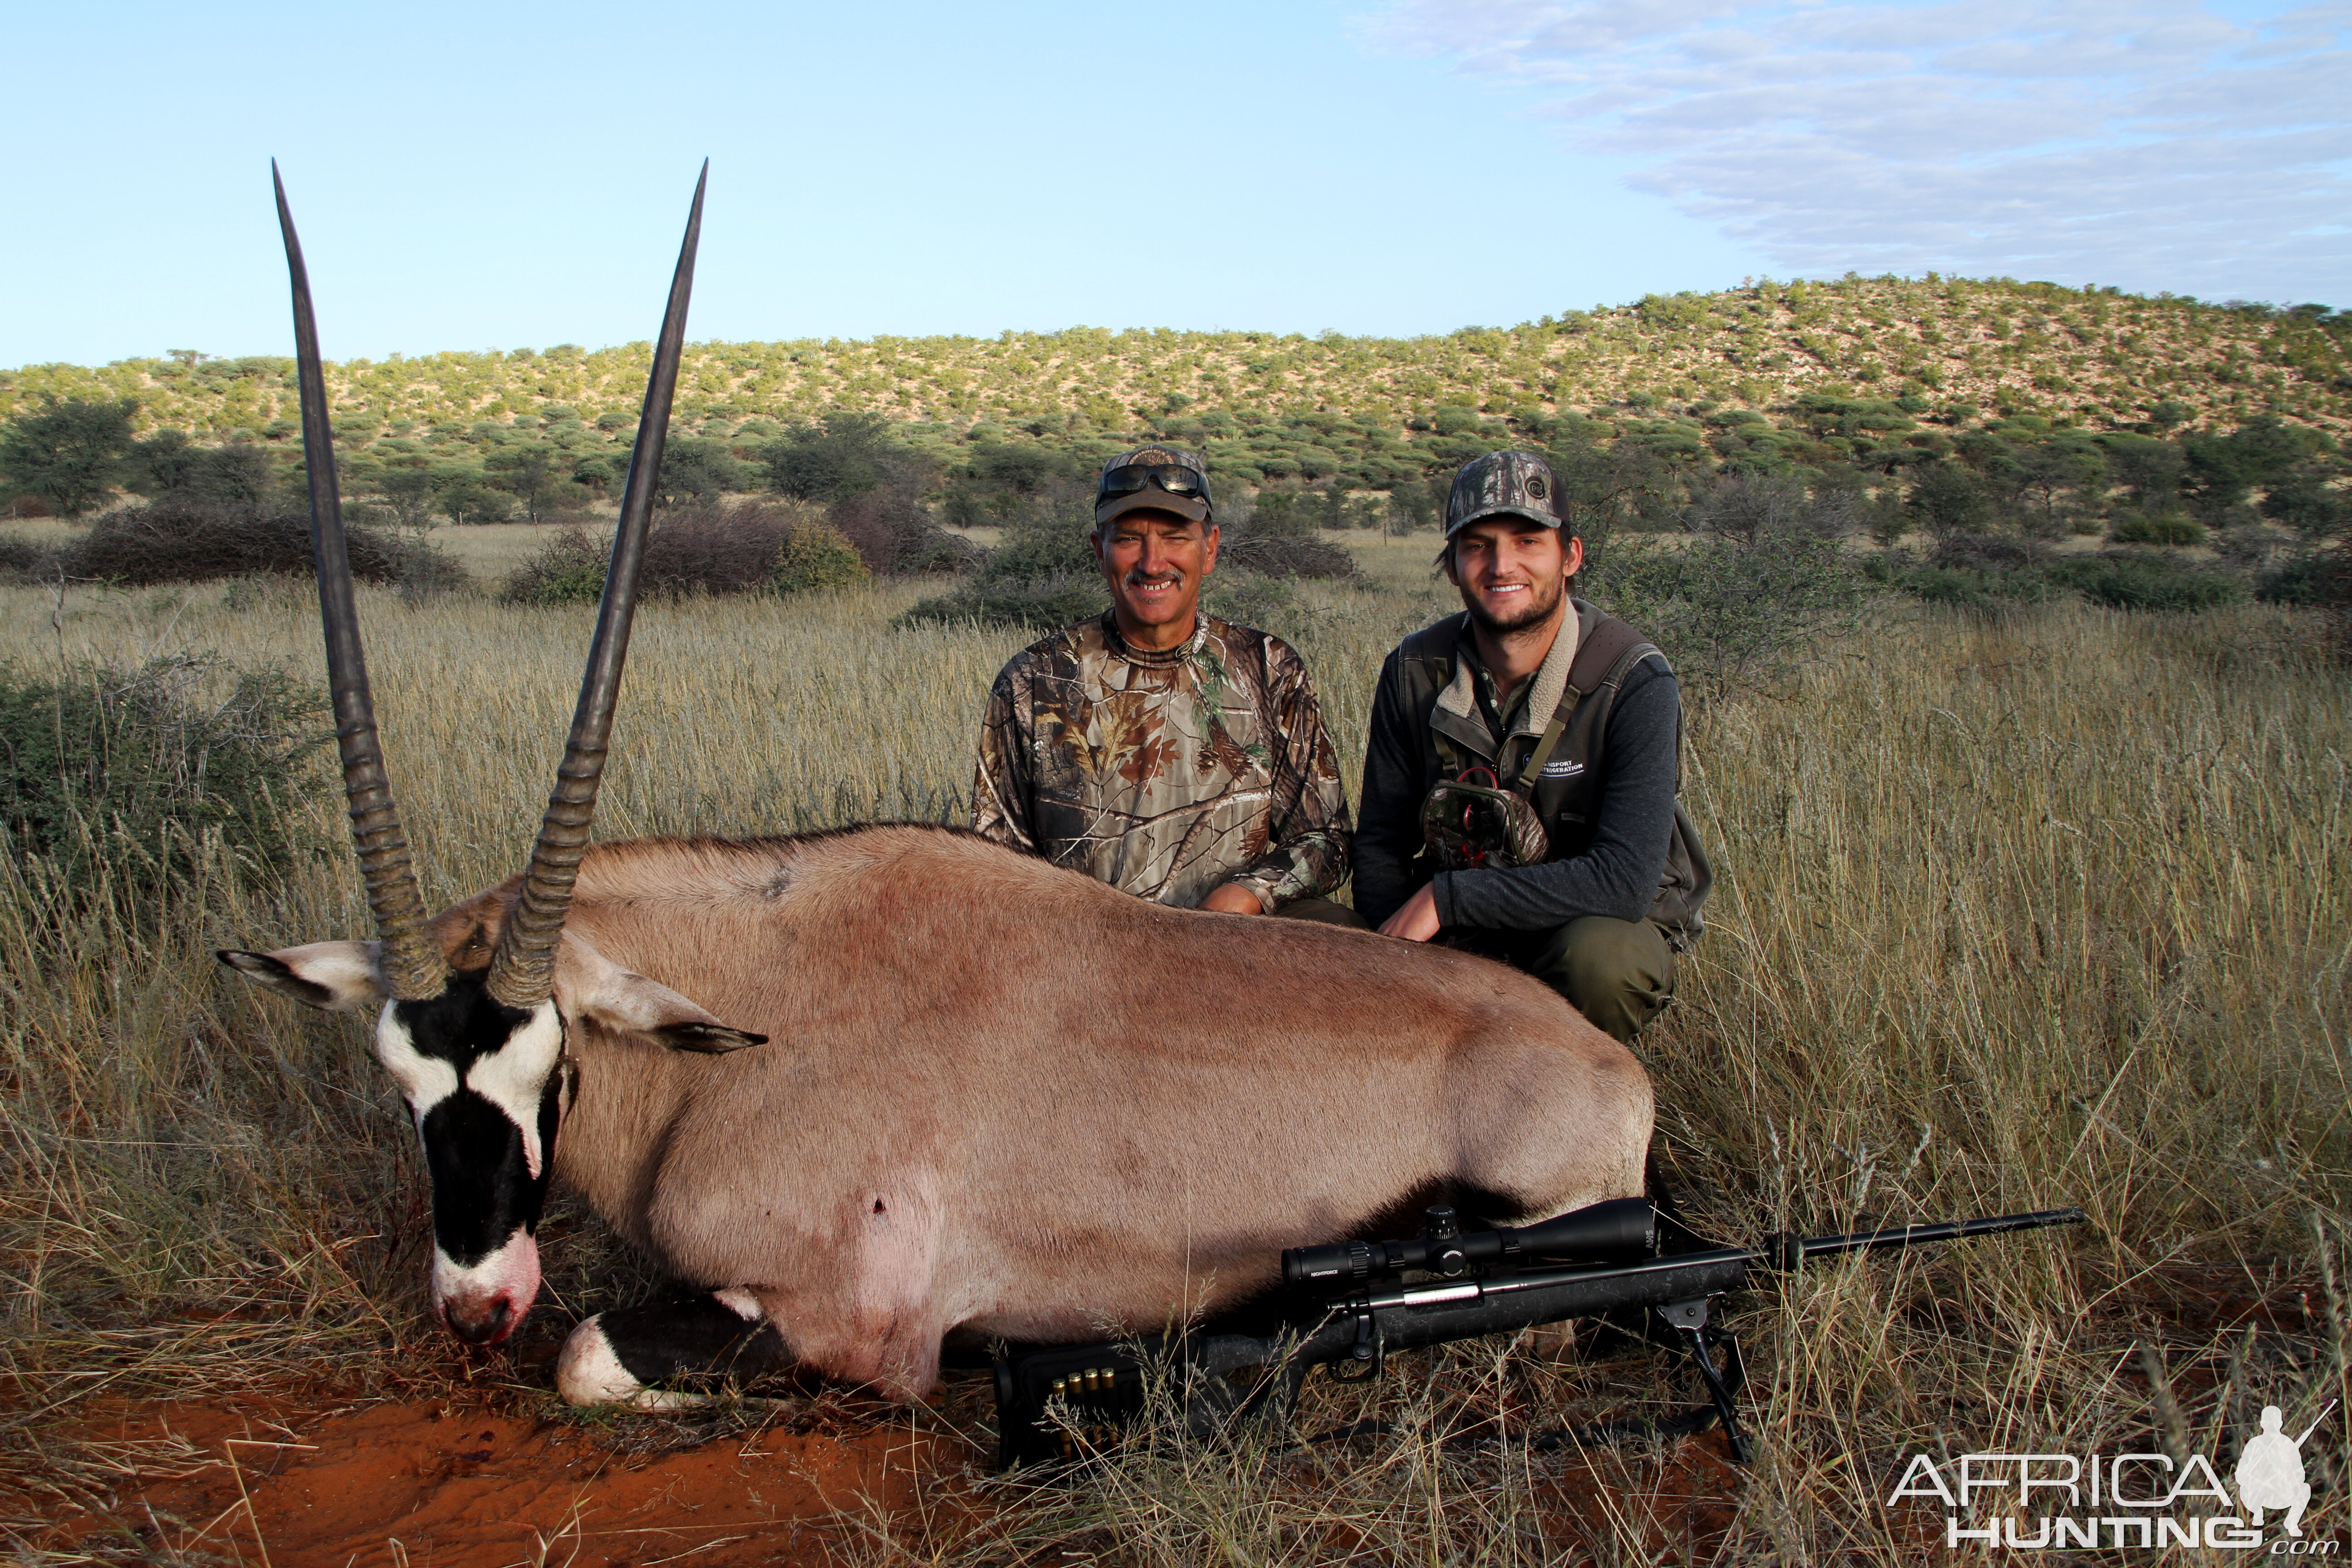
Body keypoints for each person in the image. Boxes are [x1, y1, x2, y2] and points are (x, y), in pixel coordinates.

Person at [1352, 450, 1711, 1043]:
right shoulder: (1412, 670)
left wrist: (1449, 899)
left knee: (1604, 963)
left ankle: (1580, 1106)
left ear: (1570, 557)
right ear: (1452, 566)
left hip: (1583, 922)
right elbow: (1380, 848)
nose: (1501, 564)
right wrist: (1403, 960)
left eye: (1527, 541)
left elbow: (1622, 882)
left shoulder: (1634, 679)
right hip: (1453, 927)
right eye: (1477, 545)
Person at [971, 444, 1362, 924]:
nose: (1153, 563)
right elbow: (992, 867)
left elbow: (1327, 839)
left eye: (1176, 537)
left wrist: (1249, 894)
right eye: (1130, 539)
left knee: (1344, 931)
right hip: (1082, 961)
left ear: (1210, 548)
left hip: (1229, 949)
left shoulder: (1267, 668)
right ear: (1100, 551)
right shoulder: (1035, 680)